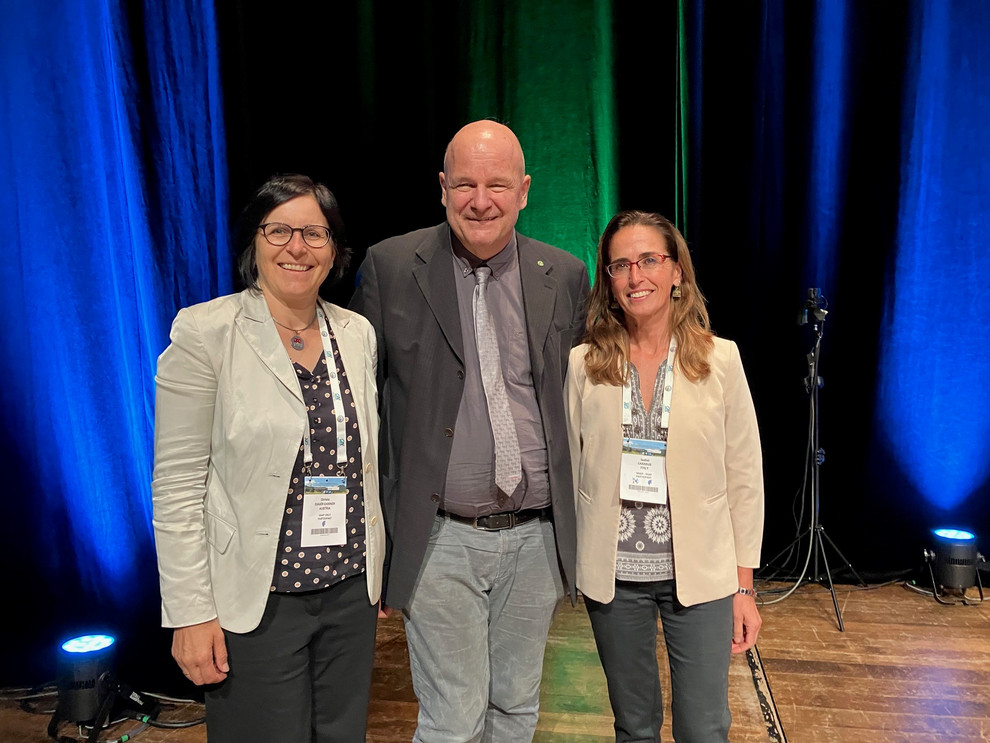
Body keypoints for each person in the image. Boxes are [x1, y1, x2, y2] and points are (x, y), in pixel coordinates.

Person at [350, 120, 589, 742]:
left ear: (526, 190)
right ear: (442, 187)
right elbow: (365, 405)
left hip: (536, 540)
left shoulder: (562, 274)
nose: (480, 200)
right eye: (465, 184)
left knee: (515, 708)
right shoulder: (391, 266)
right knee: (452, 718)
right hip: (439, 538)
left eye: (497, 184)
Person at [151, 174, 386, 742]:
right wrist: (190, 611)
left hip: (349, 593)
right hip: (257, 601)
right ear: (253, 243)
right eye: (278, 230)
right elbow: (177, 484)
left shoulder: (356, 333)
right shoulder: (206, 331)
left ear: (335, 249)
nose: (297, 247)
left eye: (314, 232)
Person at [565, 210, 764, 742]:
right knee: (634, 726)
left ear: (677, 271)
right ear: (607, 282)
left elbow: (745, 477)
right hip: (615, 580)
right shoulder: (584, 364)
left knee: (703, 728)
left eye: (649, 260)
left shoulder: (721, 360)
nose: (636, 277)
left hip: (700, 578)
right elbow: (571, 466)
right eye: (620, 266)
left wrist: (744, 587)